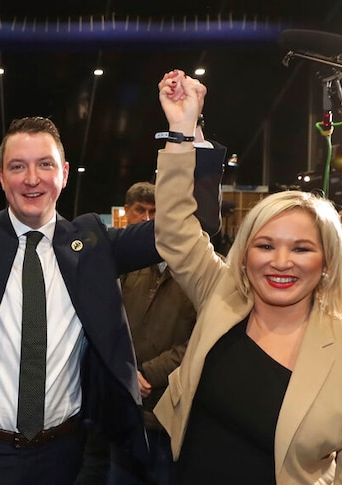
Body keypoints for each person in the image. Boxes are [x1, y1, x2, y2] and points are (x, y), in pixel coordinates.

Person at [0, 58, 224, 484]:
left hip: (63, 458)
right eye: (17, 166)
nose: (32, 178)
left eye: (45, 164)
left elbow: (189, 229)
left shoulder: (95, 245)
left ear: (64, 174)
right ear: (1, 177)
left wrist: (185, 132)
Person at [153, 70, 342, 483]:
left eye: (301, 248)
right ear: (245, 253)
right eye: (265, 246)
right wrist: (181, 132)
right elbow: (176, 228)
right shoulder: (221, 295)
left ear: (326, 262)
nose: (280, 261)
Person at [80, 181, 198, 484]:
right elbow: (100, 325)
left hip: (164, 410)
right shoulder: (116, 266)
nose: (147, 219)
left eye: (155, 212)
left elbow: (199, 341)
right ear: (126, 213)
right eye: (140, 211)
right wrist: (123, 371)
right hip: (114, 402)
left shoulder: (196, 272)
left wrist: (146, 373)